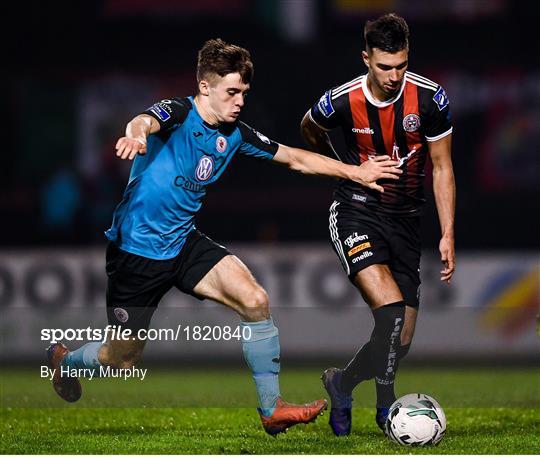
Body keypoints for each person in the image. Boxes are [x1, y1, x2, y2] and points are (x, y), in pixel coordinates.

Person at [46, 38, 403, 436]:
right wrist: (137, 134)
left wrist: (356, 172)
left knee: (255, 300)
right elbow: (144, 120)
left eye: (244, 93)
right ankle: (66, 360)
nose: (239, 102)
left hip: (184, 243)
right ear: (205, 86)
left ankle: (272, 409)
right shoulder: (178, 113)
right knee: (122, 357)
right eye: (231, 92)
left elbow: (295, 158)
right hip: (137, 254)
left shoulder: (235, 135)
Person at [300, 13, 455, 435]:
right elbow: (308, 127)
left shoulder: (429, 99)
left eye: (401, 65)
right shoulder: (342, 100)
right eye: (385, 66)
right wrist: (347, 167)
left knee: (398, 344)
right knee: (389, 313)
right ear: (366, 58)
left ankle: (342, 382)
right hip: (356, 210)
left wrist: (446, 232)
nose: (393, 75)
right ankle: (387, 411)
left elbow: (442, 167)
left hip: (407, 221)